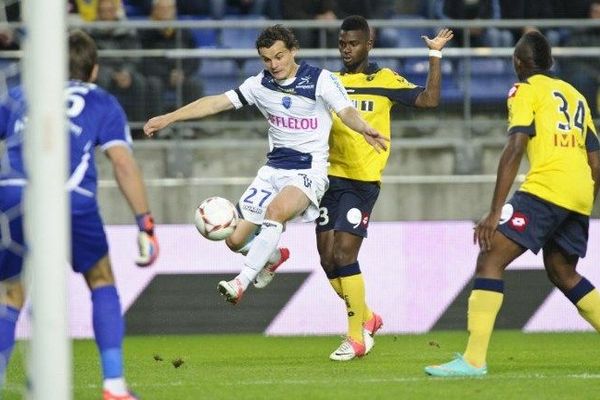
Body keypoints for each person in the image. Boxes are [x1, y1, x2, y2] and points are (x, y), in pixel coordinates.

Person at [143, 24, 388, 305]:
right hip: (272, 171)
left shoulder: (320, 80)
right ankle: (272, 256)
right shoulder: (260, 84)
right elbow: (215, 103)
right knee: (234, 239)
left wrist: (365, 129)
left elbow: (346, 112)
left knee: (275, 212)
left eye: (280, 56)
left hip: (308, 172)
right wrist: (169, 118)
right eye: (267, 59)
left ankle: (241, 281)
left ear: (293, 51)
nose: (274, 65)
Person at [255, 16, 452, 361]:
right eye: (343, 43)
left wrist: (434, 56)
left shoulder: (385, 79)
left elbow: (429, 100)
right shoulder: (329, 82)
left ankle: (355, 337)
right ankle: (368, 318)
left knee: (345, 255)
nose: (347, 50)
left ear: (369, 44)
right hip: (327, 178)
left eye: (354, 43)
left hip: (361, 182)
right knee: (328, 260)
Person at [425, 30, 600, 377]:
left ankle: (473, 360)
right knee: (562, 271)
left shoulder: (524, 90)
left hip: (547, 186)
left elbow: (515, 146)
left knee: (490, 257)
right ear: (549, 62)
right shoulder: (575, 94)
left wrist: (494, 212)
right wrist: (582, 200)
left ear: (517, 64)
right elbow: (596, 160)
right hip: (580, 191)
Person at [0, 30, 159, 398]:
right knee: (101, 279)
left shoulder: (21, 96)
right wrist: (144, 223)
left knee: (10, 294)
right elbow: (121, 162)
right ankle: (114, 385)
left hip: (14, 199)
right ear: (94, 70)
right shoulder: (101, 100)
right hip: (70, 198)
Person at [90, 0, 162, 124]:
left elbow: (135, 55)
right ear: (98, 12)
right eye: (103, 11)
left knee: (140, 82)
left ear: (115, 11)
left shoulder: (127, 30)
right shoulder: (91, 32)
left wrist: (127, 71)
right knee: (102, 80)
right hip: (104, 71)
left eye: (110, 10)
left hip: (126, 70)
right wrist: (113, 73)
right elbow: (93, 58)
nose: (107, 14)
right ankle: (101, 125)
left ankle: (139, 128)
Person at [139, 0, 203, 113]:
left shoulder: (184, 31)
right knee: (153, 84)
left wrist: (183, 72)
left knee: (195, 84)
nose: (166, 12)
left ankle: (191, 127)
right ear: (155, 11)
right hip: (157, 75)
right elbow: (144, 60)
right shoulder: (145, 32)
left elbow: (194, 58)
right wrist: (167, 74)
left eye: (169, 8)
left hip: (181, 74)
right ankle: (158, 127)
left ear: (175, 10)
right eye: (162, 8)